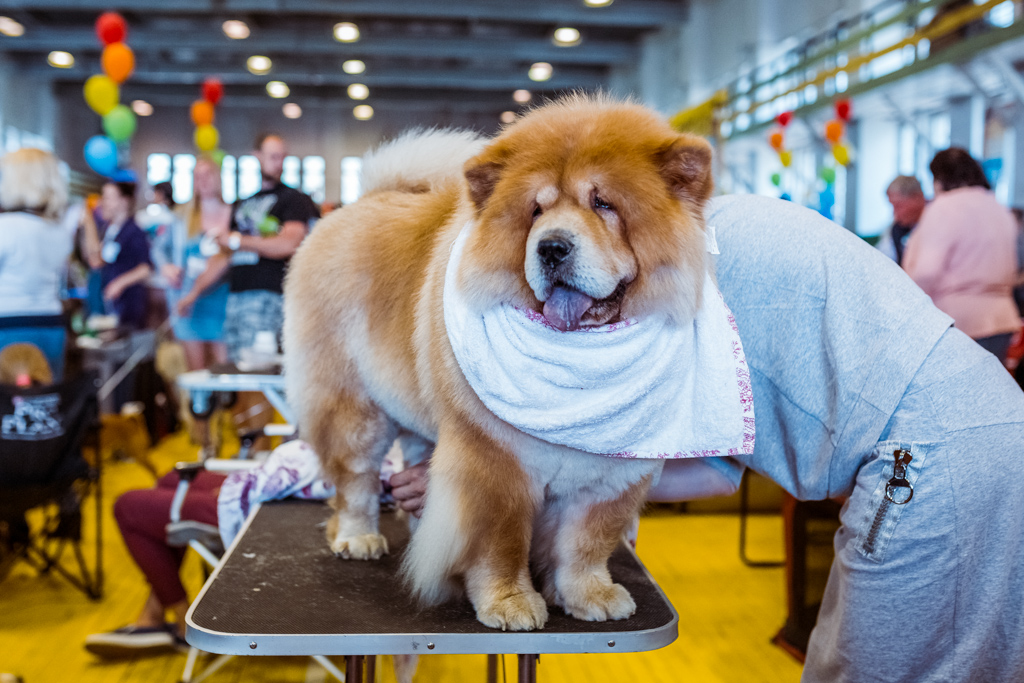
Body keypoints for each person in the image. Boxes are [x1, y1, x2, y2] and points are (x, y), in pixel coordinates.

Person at [393, 194, 1024, 682]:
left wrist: (481, 477)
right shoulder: (695, 250)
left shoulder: (685, 273)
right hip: (976, 426)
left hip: (932, 453)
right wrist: (490, 475)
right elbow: (703, 467)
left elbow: (599, 446)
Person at [180, 134, 317, 438]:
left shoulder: (294, 199)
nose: (277, 162)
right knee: (238, 376)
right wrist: (192, 293)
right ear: (257, 156)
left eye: (281, 156)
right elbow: (223, 258)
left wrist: (242, 241)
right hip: (236, 298)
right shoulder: (243, 203)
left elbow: (289, 243)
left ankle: (261, 450)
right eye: (271, 155)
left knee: (262, 375)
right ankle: (246, 444)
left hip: (268, 296)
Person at [903, 147, 1021, 363]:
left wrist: (905, 305)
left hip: (959, 321)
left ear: (939, 178)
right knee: (990, 392)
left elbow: (927, 272)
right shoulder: (998, 207)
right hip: (1002, 317)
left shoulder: (944, 207)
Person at [0, 148, 73, 380]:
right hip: (51, 327)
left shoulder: (6, 227)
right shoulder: (58, 231)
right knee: (42, 407)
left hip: (9, 326)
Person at [165, 157, 231, 371]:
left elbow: (226, 259)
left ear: (218, 177)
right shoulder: (182, 216)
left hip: (222, 302)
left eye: (207, 175)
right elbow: (160, 249)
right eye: (197, 176)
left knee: (226, 372)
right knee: (197, 375)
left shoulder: (232, 213)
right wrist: (167, 267)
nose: (202, 181)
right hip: (189, 305)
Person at [81, 181, 153, 331]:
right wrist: (88, 223)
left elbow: (145, 268)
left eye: (108, 198)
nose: (103, 203)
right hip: (108, 305)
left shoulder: (135, 232)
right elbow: (96, 261)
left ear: (124, 201)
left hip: (127, 307)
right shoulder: (109, 230)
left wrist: (119, 283)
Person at [877, 175, 926, 266]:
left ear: (917, 197)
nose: (894, 213)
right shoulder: (895, 230)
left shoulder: (937, 222)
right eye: (892, 206)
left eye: (899, 206)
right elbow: (882, 260)